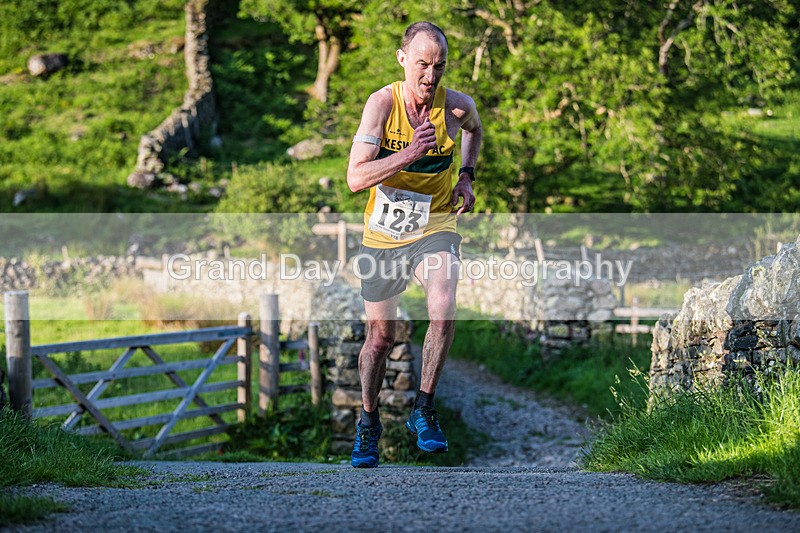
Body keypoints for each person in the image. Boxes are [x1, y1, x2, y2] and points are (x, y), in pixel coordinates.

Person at [346, 21, 482, 468]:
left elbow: (474, 132)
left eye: (438, 66)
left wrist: (466, 175)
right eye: (422, 64)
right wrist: (407, 154)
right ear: (403, 59)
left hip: (435, 225)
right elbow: (354, 178)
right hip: (383, 234)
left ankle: (423, 408)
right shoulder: (381, 105)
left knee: (443, 308)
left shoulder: (457, 108)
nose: (430, 75)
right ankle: (368, 423)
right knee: (380, 339)